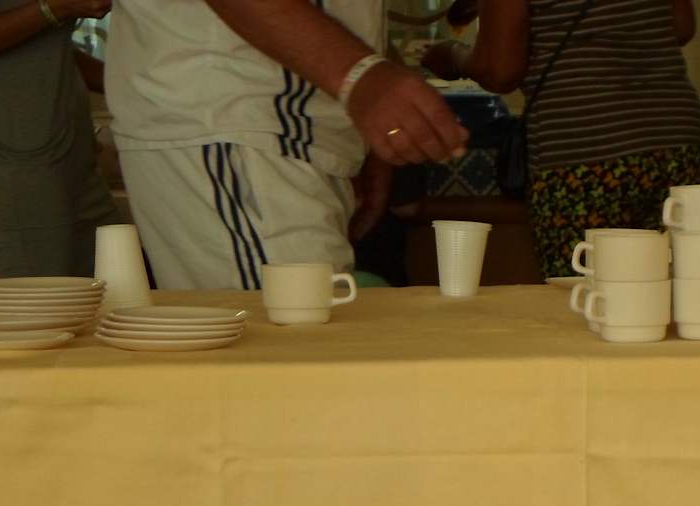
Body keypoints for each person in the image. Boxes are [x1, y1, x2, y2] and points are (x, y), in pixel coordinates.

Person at [104, 0, 470, 291]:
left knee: (306, 343)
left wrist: (360, 117)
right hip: (235, 121)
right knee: (288, 348)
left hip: (274, 132)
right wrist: (360, 77)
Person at [423, 0, 700, 279]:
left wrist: (452, 55)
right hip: (674, 138)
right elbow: (681, 27)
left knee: (585, 290)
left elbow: (499, 70)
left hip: (583, 150)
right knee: (676, 287)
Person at [0, 0, 119, 278]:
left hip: (73, 157)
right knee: (43, 298)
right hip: (21, 164)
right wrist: (58, 7)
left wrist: (136, 86)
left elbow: (47, 51)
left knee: (112, 290)